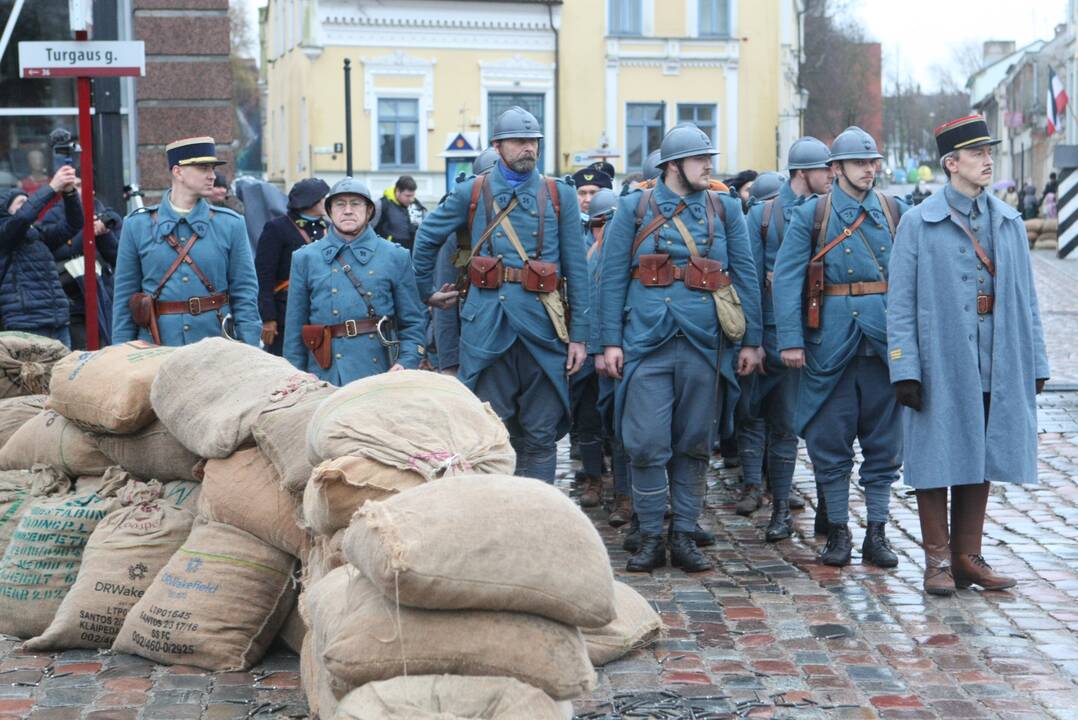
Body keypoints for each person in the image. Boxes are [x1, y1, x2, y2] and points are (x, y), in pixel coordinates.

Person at [888, 115, 1049, 595]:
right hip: (941, 359)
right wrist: (904, 367)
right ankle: (937, 561)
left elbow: (1028, 299)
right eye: (977, 153)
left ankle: (966, 557)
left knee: (981, 453)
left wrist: (1036, 362)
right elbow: (898, 302)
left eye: (988, 152)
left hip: (996, 359)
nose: (988, 160)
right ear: (951, 163)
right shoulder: (918, 223)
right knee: (936, 454)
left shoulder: (1010, 223)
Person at [600, 123, 763, 573]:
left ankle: (685, 533)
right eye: (698, 159)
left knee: (694, 442)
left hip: (705, 343)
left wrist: (752, 341)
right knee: (647, 444)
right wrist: (607, 342)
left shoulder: (725, 209)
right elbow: (611, 278)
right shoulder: (633, 208)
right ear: (672, 165)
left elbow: (745, 275)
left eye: (708, 158)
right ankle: (651, 534)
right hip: (645, 341)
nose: (708, 165)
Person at [412, 106, 591, 483]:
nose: (528, 148)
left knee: (541, 434)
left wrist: (581, 337)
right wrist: (426, 293)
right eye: (519, 142)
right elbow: (427, 238)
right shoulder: (471, 192)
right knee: (493, 432)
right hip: (487, 329)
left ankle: (536, 517)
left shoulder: (560, 195)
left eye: (533, 142)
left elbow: (577, 270)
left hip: (544, 328)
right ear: (498, 146)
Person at [772, 126, 907, 568]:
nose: (869, 170)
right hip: (828, 344)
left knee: (884, 443)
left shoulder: (894, 211)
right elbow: (788, 279)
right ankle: (838, 531)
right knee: (830, 443)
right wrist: (790, 339)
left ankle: (878, 531)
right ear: (837, 169)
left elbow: (913, 281)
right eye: (860, 163)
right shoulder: (812, 216)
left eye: (873, 163)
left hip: (884, 343)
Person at [736, 138, 833, 536]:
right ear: (800, 173)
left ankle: (831, 511)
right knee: (781, 427)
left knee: (832, 429)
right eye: (824, 169)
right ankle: (780, 509)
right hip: (776, 340)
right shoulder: (763, 217)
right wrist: (754, 340)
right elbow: (749, 281)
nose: (831, 176)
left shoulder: (831, 212)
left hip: (823, 336)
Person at [112, 136, 262, 346]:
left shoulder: (231, 225)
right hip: (155, 348)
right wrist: (121, 353)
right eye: (203, 168)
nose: (212, 176)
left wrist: (251, 350)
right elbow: (124, 299)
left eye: (212, 169)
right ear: (178, 171)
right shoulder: (137, 226)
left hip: (215, 348)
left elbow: (245, 293)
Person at [283, 178, 427, 384]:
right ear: (329, 211)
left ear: (369, 211)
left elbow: (413, 322)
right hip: (324, 375)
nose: (348, 210)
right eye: (340, 204)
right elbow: (295, 329)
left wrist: (405, 363)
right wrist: (296, 374)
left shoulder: (395, 256)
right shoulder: (305, 258)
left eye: (356, 203)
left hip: (382, 372)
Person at [0, 164, 81, 345]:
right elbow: (22, 218)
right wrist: (52, 187)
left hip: (57, 321)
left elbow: (73, 225)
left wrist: (69, 194)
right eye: (22, 203)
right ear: (6, 210)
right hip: (26, 324)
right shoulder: (6, 234)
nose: (28, 206)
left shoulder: (38, 235)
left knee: (62, 373)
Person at [41, 176, 121, 348]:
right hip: (73, 298)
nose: (83, 190)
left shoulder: (104, 212)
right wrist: (89, 232)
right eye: (76, 185)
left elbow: (118, 257)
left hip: (105, 296)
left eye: (85, 185)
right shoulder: (53, 215)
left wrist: (104, 232)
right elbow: (56, 251)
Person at [255, 178, 330, 355]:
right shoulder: (277, 228)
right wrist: (268, 318)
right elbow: (264, 276)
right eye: (323, 198)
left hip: (321, 309)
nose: (326, 202)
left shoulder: (328, 229)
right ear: (311, 201)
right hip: (285, 312)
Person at [372, 175, 426, 251]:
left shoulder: (416, 206)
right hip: (387, 254)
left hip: (411, 256)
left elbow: (422, 232)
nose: (411, 199)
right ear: (398, 192)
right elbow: (369, 230)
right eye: (407, 196)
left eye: (413, 195)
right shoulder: (382, 205)